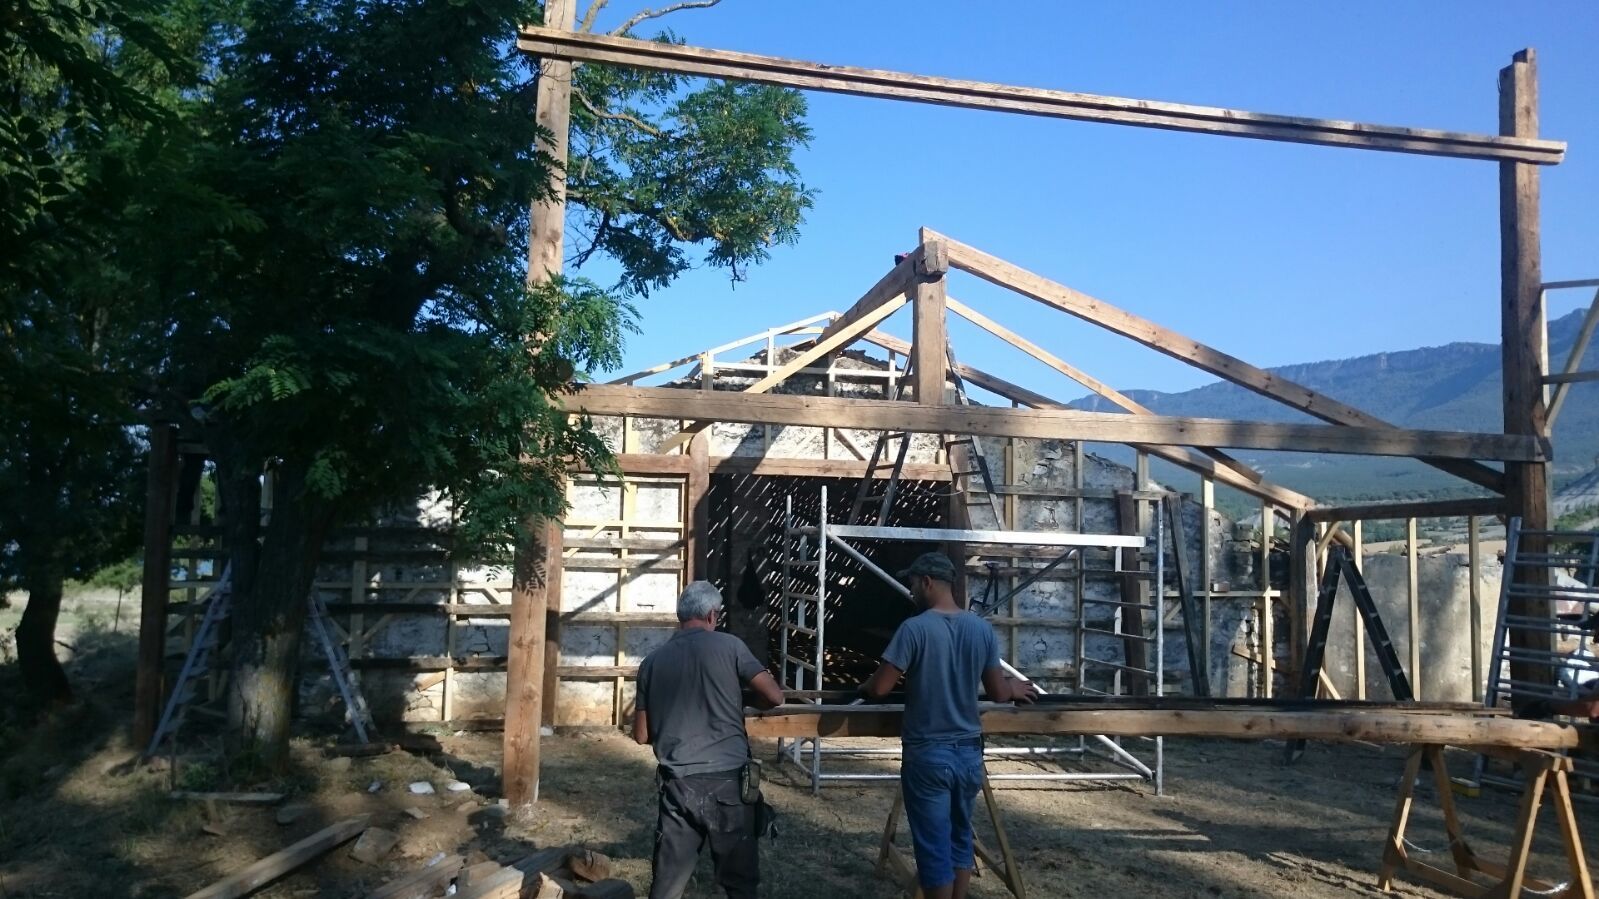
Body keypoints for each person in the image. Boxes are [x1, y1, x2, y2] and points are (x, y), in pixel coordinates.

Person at [858, 552, 1038, 899]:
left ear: (926, 582)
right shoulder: (980, 629)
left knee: (933, 848)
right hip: (969, 753)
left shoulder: (914, 629)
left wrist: (865, 686)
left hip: (928, 754)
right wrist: (1016, 688)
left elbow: (880, 687)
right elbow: (999, 691)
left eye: (912, 584)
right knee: (959, 837)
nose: (911, 591)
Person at [635, 581, 786, 899]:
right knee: (739, 886)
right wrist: (742, 702)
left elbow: (641, 734)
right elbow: (774, 696)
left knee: (666, 887)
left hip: (678, 787)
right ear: (712, 615)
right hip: (728, 786)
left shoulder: (651, 662)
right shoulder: (730, 647)